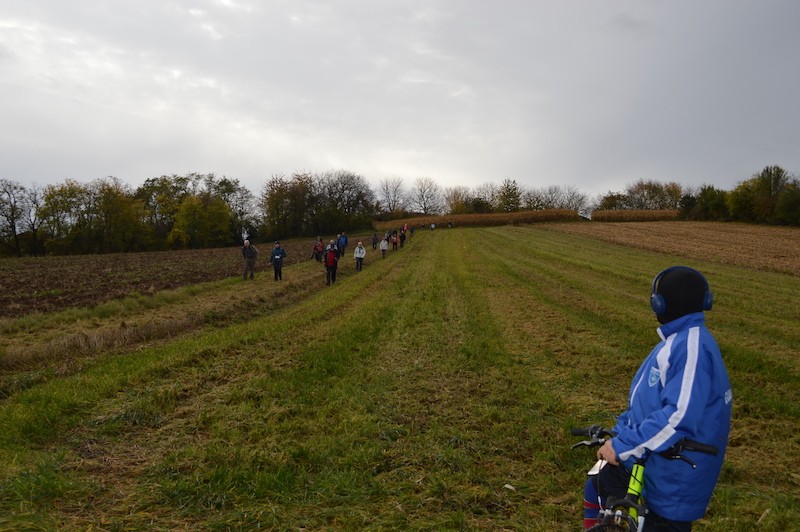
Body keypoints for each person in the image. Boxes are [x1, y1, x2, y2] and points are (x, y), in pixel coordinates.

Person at [584, 266, 732, 531]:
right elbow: (647, 402)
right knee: (600, 481)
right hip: (657, 460)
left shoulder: (690, 348)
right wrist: (620, 433)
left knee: (660, 525)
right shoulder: (677, 341)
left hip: (675, 476)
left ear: (659, 304)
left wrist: (623, 444)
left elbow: (679, 417)